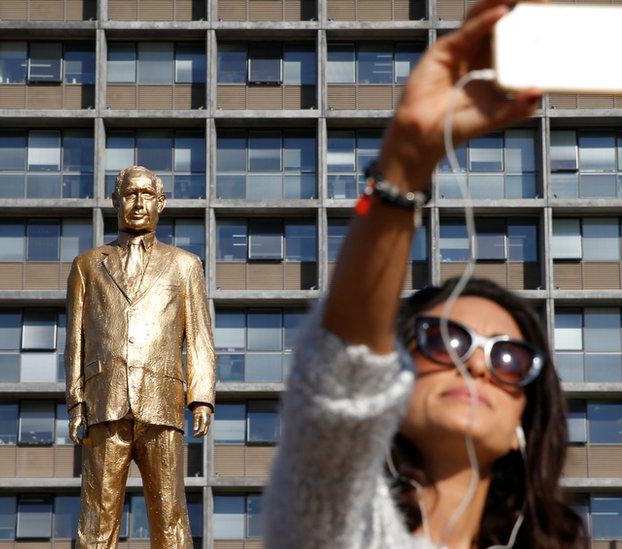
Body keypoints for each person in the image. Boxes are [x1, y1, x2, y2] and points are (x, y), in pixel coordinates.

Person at [263, 0, 587, 547]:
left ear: (523, 426)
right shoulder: (340, 522)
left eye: (511, 358)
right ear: (395, 380)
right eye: (445, 339)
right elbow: (341, 384)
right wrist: (406, 163)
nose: (478, 365)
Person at [65, 166, 216, 548]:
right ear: (116, 201)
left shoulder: (185, 265)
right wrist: (75, 402)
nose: (137, 203)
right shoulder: (87, 265)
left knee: (170, 516)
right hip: (104, 403)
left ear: (160, 203)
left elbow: (198, 335)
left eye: (146, 195)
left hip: (162, 402)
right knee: (97, 518)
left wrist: (201, 398)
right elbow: (76, 340)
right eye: (130, 194)